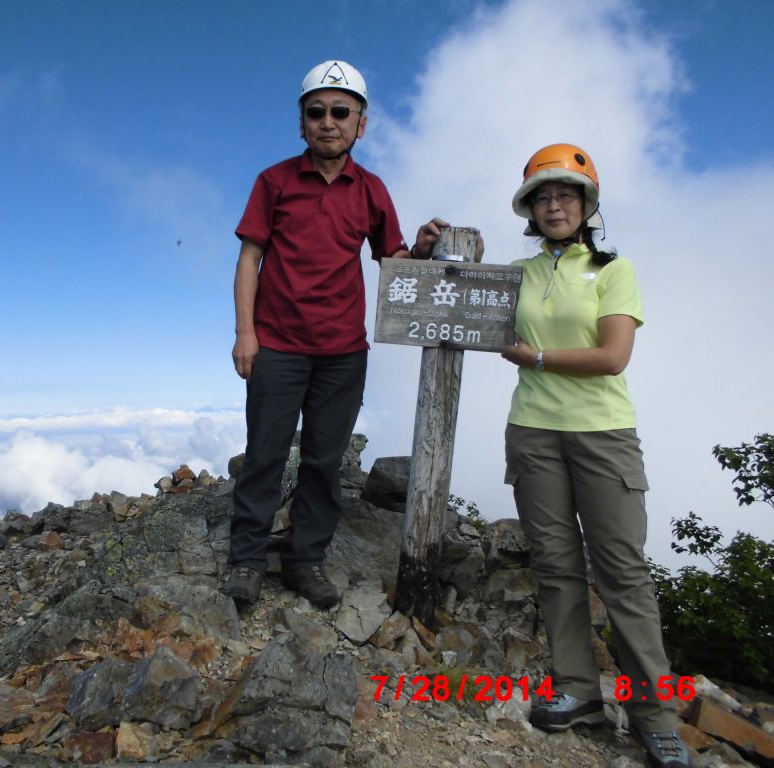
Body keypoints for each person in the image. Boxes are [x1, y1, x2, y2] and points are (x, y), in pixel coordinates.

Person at [222, 60, 451, 610]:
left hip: (343, 352)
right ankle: (247, 561)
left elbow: (391, 258)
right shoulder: (274, 181)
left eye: (340, 112)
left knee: (325, 461)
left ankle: (305, 560)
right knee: (266, 455)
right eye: (316, 112)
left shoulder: (371, 190)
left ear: (361, 123)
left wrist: (419, 249)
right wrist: (244, 333)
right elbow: (249, 258)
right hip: (276, 345)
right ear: (301, 123)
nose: (329, 122)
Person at [500, 143, 689, 768]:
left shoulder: (613, 269)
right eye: (543, 197)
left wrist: (541, 358)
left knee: (622, 574)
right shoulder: (521, 273)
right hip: (532, 430)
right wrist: (423, 250)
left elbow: (613, 356)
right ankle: (578, 691)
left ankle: (655, 718)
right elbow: (453, 293)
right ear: (530, 209)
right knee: (555, 567)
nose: (554, 205)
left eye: (566, 195)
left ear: (586, 205)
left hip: (603, 433)